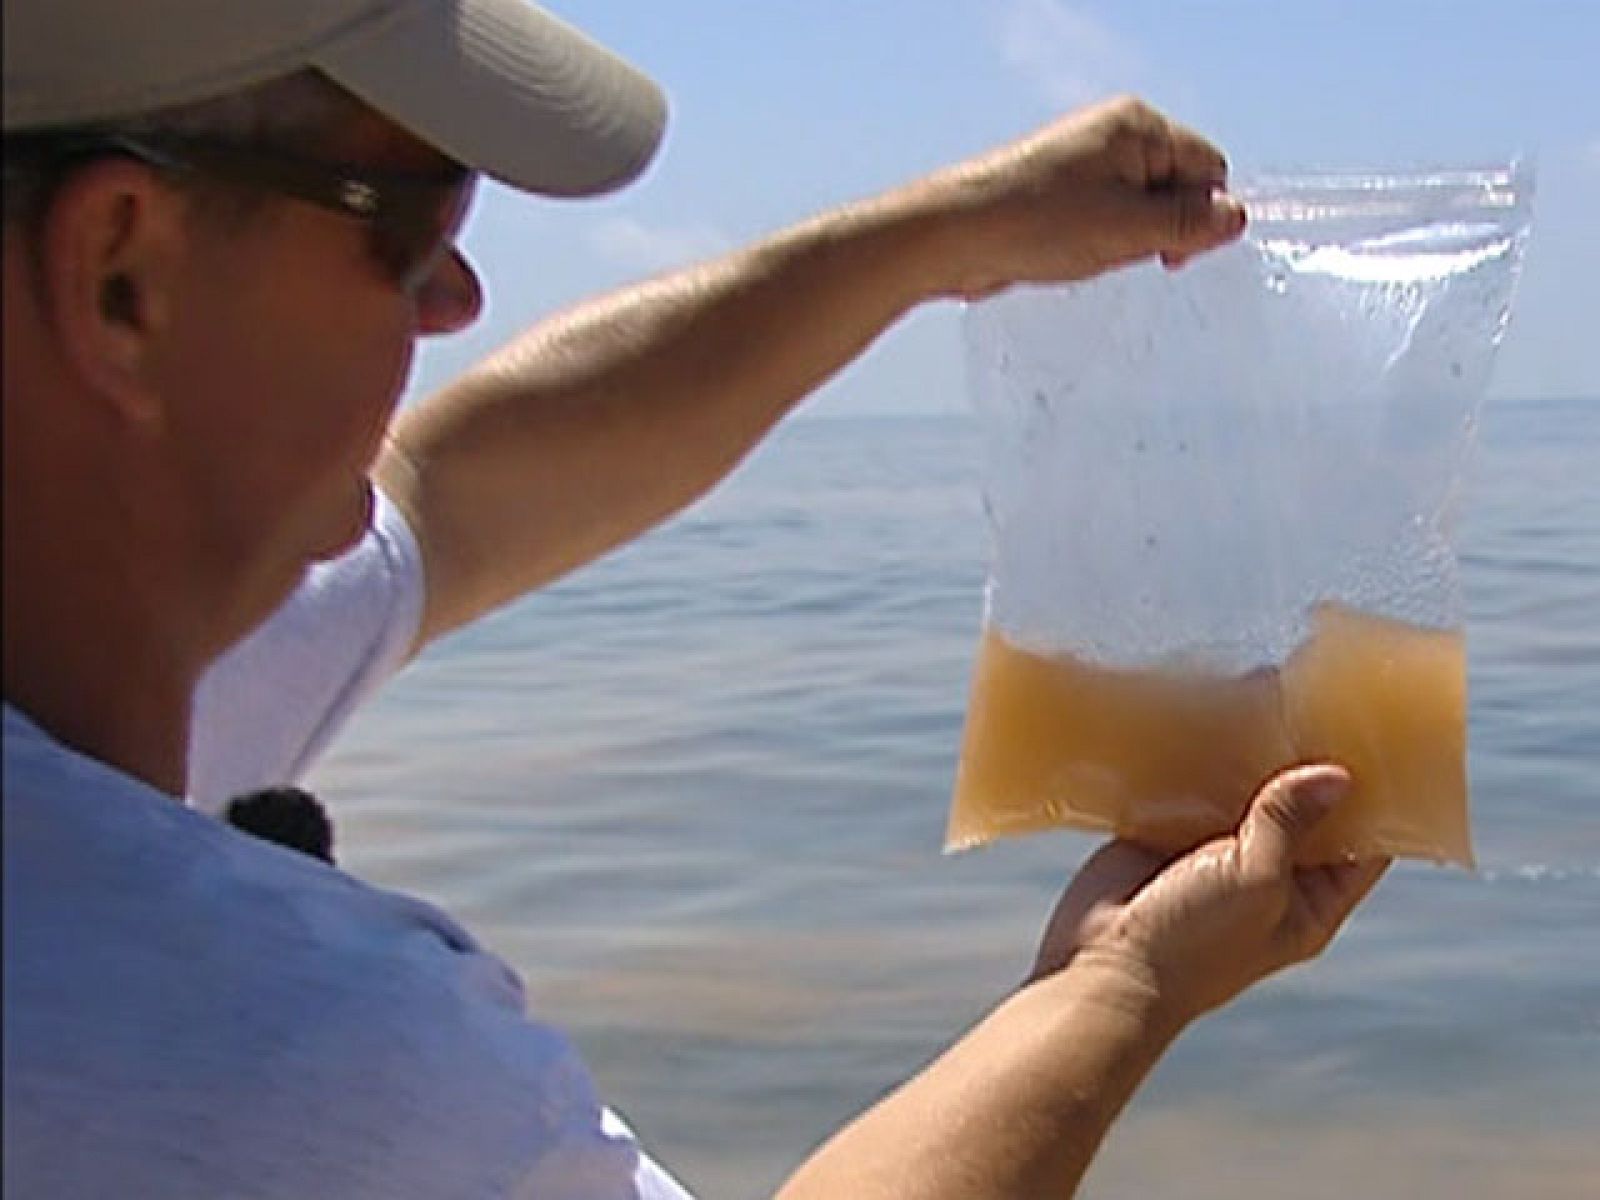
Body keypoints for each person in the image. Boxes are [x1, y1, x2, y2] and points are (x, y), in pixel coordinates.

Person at [2, 1, 1389, 1196]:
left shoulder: (91, 660)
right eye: (410, 219)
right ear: (124, 275)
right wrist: (1119, 989)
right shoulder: (294, 1072)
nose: (458, 297)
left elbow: (464, 492)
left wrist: (949, 238)